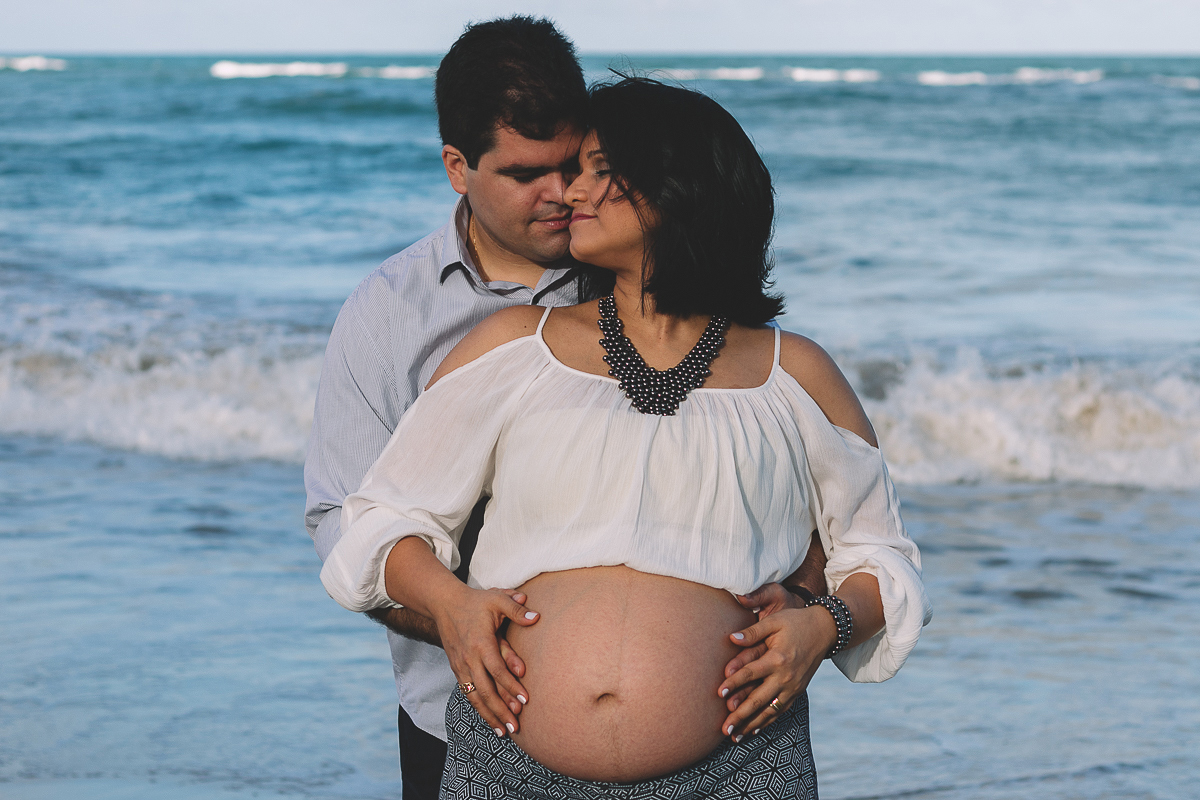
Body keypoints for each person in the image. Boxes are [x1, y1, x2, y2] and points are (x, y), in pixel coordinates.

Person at [320, 77, 931, 799]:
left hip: (742, 767)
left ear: (679, 187)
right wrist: (451, 607)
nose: (569, 191)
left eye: (599, 169)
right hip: (507, 765)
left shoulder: (794, 372)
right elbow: (384, 520)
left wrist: (824, 626)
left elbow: (878, 556)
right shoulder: (514, 346)